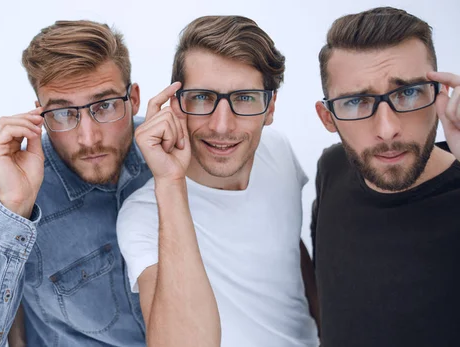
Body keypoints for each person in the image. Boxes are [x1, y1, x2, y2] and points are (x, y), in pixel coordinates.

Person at [0, 20, 151, 346]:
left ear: (133, 98)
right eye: (63, 114)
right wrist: (14, 210)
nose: (88, 138)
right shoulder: (7, 201)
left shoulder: (169, 155)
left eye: (104, 106)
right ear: (40, 114)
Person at [117, 15, 319, 347]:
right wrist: (170, 182)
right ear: (176, 105)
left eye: (244, 98)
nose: (221, 125)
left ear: (270, 108)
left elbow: (289, 253)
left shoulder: (278, 150)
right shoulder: (144, 214)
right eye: (202, 98)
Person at [311, 6, 460, 347]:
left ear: (440, 96)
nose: (387, 130)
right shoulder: (331, 168)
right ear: (327, 117)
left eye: (407, 93)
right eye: (356, 102)